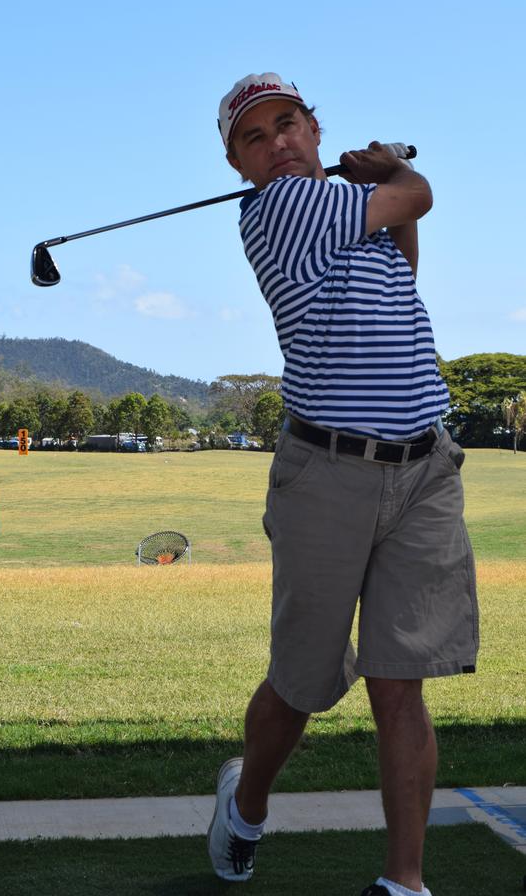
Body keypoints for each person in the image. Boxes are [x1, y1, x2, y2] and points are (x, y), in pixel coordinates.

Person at [207, 74, 479, 896]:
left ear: (314, 127)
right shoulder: (281, 210)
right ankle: (245, 805)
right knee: (303, 685)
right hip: (327, 475)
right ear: (238, 164)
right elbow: (421, 197)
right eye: (255, 139)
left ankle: (405, 883)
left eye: (288, 124)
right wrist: (394, 166)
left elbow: (402, 265)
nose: (278, 143)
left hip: (425, 470)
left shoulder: (347, 211)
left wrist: (377, 185)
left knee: (403, 682)